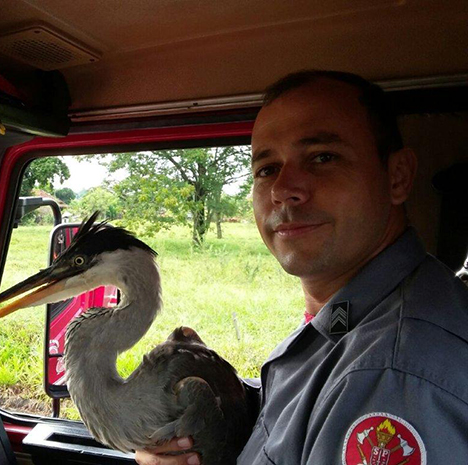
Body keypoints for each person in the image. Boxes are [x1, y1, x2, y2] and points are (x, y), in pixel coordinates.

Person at [135, 70, 468, 464]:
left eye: (323, 157)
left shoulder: (391, 374)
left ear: (397, 177)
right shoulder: (353, 320)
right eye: (267, 169)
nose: (282, 189)